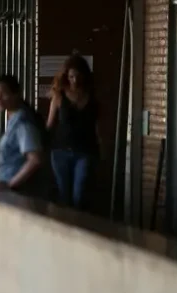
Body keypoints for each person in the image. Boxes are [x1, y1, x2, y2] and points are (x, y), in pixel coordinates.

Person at [46, 55, 98, 210]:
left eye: (77, 76)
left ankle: (77, 226)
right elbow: (50, 123)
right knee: (64, 194)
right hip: (60, 150)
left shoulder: (92, 97)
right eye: (71, 76)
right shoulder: (59, 96)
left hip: (85, 151)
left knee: (79, 194)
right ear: (66, 76)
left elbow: (97, 125)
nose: (74, 80)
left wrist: (103, 148)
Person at [0, 75, 46, 196]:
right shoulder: (13, 119)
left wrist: (10, 184)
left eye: (3, 94)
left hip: (19, 190)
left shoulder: (23, 122)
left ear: (16, 94)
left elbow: (35, 160)